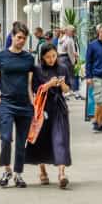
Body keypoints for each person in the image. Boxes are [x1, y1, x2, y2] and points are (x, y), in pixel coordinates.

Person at [0, 22, 35, 188]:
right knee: (6, 138)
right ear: (12, 36)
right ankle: (6, 169)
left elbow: (30, 83)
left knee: (22, 141)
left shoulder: (29, 58)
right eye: (19, 37)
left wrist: (33, 104)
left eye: (24, 38)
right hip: (6, 104)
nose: (22, 41)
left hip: (25, 105)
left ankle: (18, 174)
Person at [25, 42, 73, 189]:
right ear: (42, 58)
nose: (51, 59)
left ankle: (61, 173)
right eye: (48, 57)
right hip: (42, 109)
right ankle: (42, 171)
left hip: (59, 107)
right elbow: (35, 90)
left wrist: (62, 85)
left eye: (54, 55)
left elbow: (67, 90)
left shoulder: (63, 67)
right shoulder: (38, 70)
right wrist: (49, 85)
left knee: (61, 139)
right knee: (41, 140)